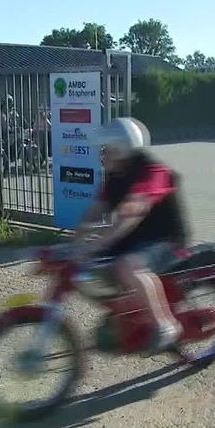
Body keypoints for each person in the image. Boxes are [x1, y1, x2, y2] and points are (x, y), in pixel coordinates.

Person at [74, 117, 190, 351]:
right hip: (136, 238)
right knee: (92, 265)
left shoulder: (153, 172)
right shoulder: (114, 175)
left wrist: (98, 242)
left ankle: (166, 325)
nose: (101, 155)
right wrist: (77, 241)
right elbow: (95, 210)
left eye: (105, 150)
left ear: (120, 150)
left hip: (165, 240)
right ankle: (125, 315)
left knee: (126, 266)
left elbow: (131, 214)